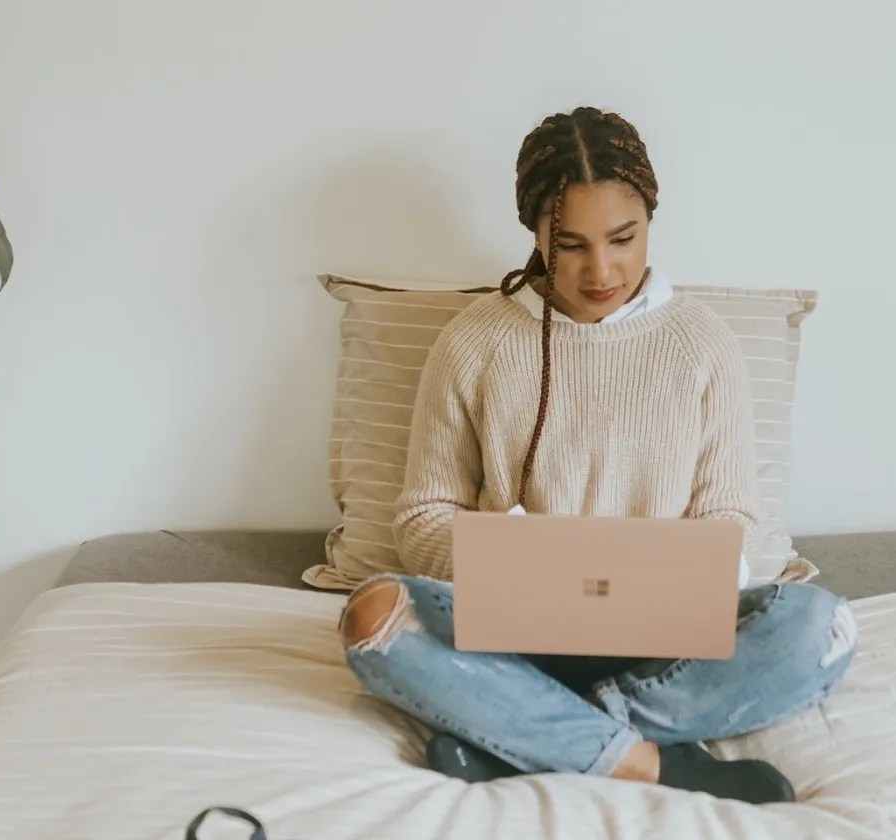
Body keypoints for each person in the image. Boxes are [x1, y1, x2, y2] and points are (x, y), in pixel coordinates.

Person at [337, 106, 856, 804]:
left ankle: (527, 736)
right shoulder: (475, 341)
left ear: (651, 221)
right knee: (374, 618)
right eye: (571, 243)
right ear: (535, 234)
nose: (601, 269)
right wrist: (513, 556)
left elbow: (733, 513)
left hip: (670, 644)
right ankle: (656, 761)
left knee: (820, 627)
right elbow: (423, 513)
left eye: (623, 238)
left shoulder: (703, 342)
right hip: (512, 635)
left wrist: (691, 576)